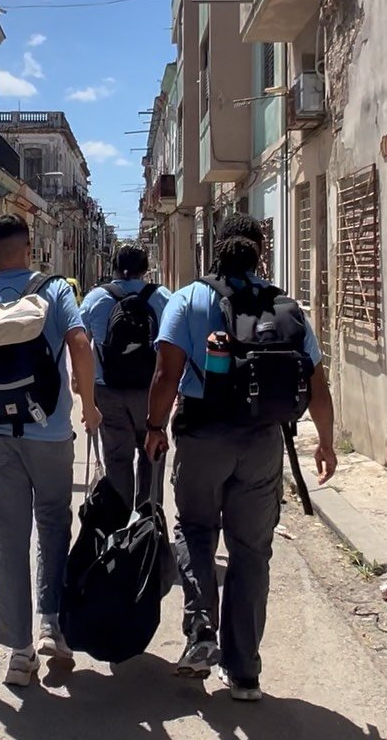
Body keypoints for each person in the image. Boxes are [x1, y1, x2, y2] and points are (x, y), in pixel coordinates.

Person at [145, 214, 337, 702]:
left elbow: (166, 375)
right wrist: (327, 443)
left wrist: (154, 429)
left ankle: (201, 630)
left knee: (195, 529)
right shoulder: (284, 306)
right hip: (262, 441)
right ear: (259, 253)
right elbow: (317, 382)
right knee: (252, 551)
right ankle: (245, 673)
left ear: (216, 248)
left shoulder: (188, 299)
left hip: (202, 433)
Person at [0, 214, 102, 686]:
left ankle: (19, 652)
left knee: (9, 537)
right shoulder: (53, 292)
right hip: (47, 433)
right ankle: (53, 623)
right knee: (53, 523)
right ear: (30, 249)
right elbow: (81, 346)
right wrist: (88, 407)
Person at [79, 242, 171, 509]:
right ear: (146, 269)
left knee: (117, 459)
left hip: (108, 390)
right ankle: (148, 526)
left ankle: (119, 530)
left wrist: (83, 393)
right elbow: (175, 345)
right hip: (152, 390)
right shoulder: (162, 297)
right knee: (152, 454)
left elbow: (80, 345)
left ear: (115, 268)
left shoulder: (96, 298)